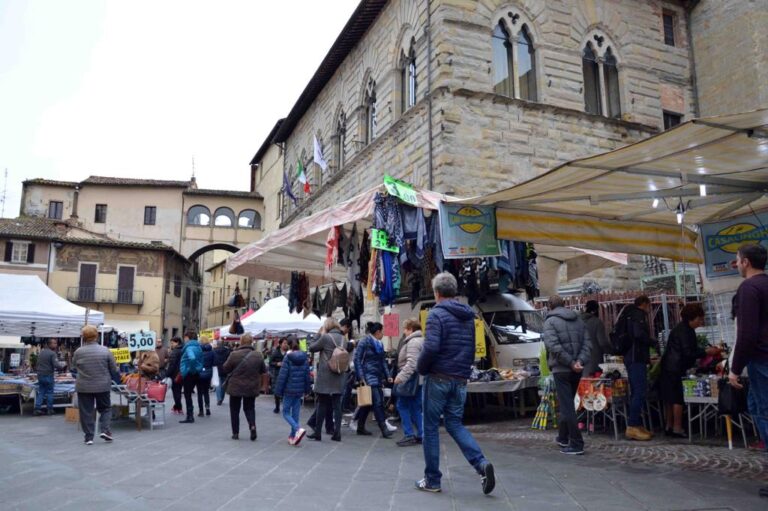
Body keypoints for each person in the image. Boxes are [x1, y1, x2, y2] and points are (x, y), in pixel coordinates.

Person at [416, 272, 495, 495]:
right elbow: (469, 349)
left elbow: (430, 347)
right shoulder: (468, 316)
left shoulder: (436, 315)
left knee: (430, 427)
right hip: (460, 379)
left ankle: (432, 480)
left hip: (439, 377)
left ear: (437, 293)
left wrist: (422, 368)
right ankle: (481, 464)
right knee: (455, 424)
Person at [727, 244, 768, 499]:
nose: (737, 264)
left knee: (763, 411)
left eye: (737, 260)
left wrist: (734, 368)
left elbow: (747, 333)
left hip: (761, 359)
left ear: (746, 262)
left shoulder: (749, 288)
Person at [660, 303, 722, 437]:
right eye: (699, 319)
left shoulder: (681, 329)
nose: (701, 322)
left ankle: (669, 426)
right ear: (691, 318)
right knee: (677, 398)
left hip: (669, 366)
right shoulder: (685, 331)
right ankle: (677, 428)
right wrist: (706, 352)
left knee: (669, 398)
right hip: (676, 367)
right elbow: (688, 352)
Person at [542, 295, 591, 455]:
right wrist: (579, 361)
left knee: (567, 405)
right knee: (567, 403)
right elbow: (587, 344)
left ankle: (576, 443)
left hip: (562, 368)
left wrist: (571, 362)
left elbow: (553, 346)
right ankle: (563, 437)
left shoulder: (550, 322)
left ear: (550, 306)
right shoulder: (578, 320)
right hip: (576, 367)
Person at [616, 295, 657, 441]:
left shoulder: (628, 314)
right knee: (639, 391)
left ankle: (637, 424)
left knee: (636, 391)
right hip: (636, 357)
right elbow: (638, 334)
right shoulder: (637, 315)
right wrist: (652, 342)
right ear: (644, 304)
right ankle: (633, 426)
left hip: (630, 357)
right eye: (649, 306)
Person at [71, 325, 120, 445]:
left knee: (86, 411)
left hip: (84, 386)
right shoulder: (105, 350)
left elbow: (73, 368)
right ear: (96, 336)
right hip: (102, 385)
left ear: (84, 337)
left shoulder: (78, 352)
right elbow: (114, 370)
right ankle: (105, 430)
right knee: (105, 408)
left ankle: (89, 437)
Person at [308, 318, 347, 441]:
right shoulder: (343, 339)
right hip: (339, 374)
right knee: (337, 405)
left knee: (322, 403)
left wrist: (318, 334)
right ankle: (337, 433)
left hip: (326, 373)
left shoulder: (326, 338)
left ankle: (318, 432)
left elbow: (312, 347)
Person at [223, 332, 267, 440]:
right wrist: (263, 386)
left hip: (235, 386)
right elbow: (264, 371)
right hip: (251, 386)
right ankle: (252, 426)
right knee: (250, 408)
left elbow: (226, 368)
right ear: (251, 342)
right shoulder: (258, 355)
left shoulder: (234, 354)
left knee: (234, 409)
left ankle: (235, 433)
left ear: (241, 342)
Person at [354, 321, 393, 438]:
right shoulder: (364, 342)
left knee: (367, 403)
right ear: (378, 332)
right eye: (383, 332)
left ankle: (360, 427)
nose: (384, 334)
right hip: (368, 375)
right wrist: (361, 377)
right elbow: (357, 360)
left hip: (377, 376)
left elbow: (382, 361)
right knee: (378, 402)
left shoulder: (379, 344)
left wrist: (388, 375)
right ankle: (383, 428)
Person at [393, 318, 424, 447]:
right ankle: (422, 434)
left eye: (405, 329)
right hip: (420, 379)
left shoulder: (413, 342)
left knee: (402, 405)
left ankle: (409, 434)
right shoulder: (422, 340)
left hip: (411, 379)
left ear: (411, 329)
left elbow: (412, 363)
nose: (404, 331)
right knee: (415, 407)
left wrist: (400, 377)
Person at [275, 339, 311, 445]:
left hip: (289, 389)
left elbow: (283, 376)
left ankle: (297, 429)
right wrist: (307, 389)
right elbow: (307, 375)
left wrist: (278, 391)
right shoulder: (304, 358)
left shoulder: (287, 358)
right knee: (295, 413)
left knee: (286, 412)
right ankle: (292, 436)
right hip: (299, 390)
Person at [179, 329, 203, 424]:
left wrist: (191, 369)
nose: (184, 339)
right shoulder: (198, 347)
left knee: (187, 394)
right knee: (190, 394)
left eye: (185, 337)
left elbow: (192, 358)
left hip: (189, 373)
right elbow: (201, 360)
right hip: (196, 372)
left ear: (188, 338)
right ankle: (190, 414)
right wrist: (198, 368)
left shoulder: (189, 348)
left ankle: (190, 416)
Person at [581, 300, 611, 376]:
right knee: (595, 385)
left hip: (580, 361)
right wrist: (610, 352)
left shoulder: (577, 322)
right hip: (595, 361)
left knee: (583, 385)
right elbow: (602, 342)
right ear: (595, 310)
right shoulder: (597, 322)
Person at [34, 338, 59, 416]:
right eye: (54, 343)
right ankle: (49, 409)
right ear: (49, 344)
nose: (56, 345)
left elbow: (37, 364)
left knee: (41, 391)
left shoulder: (41, 352)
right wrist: (63, 366)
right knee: (49, 392)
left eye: (56, 343)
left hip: (40, 374)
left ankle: (37, 409)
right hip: (48, 375)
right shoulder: (52, 354)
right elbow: (56, 365)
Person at [270, 337, 289, 413]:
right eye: (284, 343)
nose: (286, 344)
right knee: (276, 390)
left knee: (286, 390)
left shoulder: (288, 352)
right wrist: (277, 363)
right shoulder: (276, 352)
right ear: (280, 344)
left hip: (286, 374)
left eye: (287, 343)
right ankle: (277, 407)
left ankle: (285, 407)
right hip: (277, 373)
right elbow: (270, 362)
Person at [166, 336, 184, 415]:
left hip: (175, 374)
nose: (171, 345)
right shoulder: (183, 350)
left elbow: (172, 365)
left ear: (177, 343)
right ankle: (177, 407)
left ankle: (178, 407)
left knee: (176, 391)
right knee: (178, 391)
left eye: (172, 343)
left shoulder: (175, 351)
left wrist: (167, 374)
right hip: (182, 373)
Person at [197, 337, 215, 417]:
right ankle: (207, 408)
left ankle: (201, 411)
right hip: (208, 373)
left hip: (199, 373)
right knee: (206, 392)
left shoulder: (198, 351)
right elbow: (215, 362)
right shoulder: (212, 352)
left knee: (200, 393)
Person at [213, 339, 231, 406]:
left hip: (217, 369)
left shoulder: (214, 351)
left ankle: (219, 398)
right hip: (225, 369)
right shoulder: (227, 351)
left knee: (218, 384)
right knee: (223, 384)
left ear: (217, 344)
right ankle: (222, 398)